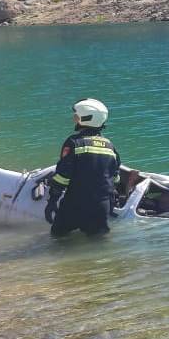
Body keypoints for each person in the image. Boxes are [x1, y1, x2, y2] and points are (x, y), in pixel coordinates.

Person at [45, 98, 121, 237]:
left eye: (76, 117)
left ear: (85, 119)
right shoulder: (110, 147)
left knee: (58, 240)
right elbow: (115, 178)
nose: (75, 119)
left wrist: (52, 201)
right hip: (101, 207)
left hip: (75, 204)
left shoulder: (74, 143)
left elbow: (63, 176)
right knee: (98, 246)